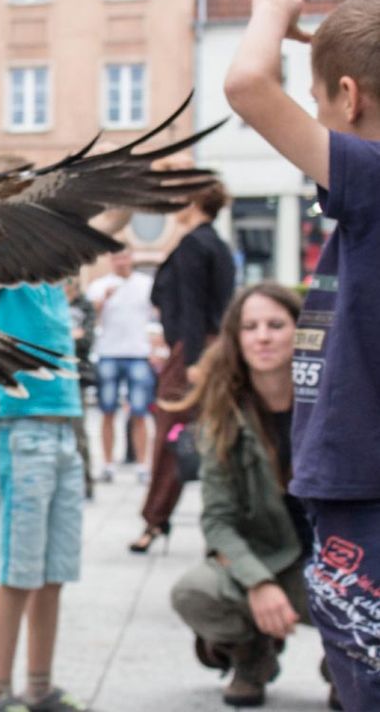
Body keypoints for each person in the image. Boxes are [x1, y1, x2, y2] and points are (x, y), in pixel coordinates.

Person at [224, 0, 380, 709]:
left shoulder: (373, 178)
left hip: (363, 490)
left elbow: (247, 83)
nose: (312, 123)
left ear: (350, 98)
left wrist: (272, 14)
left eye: (318, 105)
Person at [169, 283, 340, 709]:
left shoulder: (336, 406)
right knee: (195, 591)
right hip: (269, 561)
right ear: (236, 338)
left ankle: (346, 662)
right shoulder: (225, 416)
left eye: (276, 325)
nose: (262, 336)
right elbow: (217, 521)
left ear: (301, 332)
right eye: (250, 327)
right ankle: (253, 657)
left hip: (335, 565)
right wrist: (258, 582)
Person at [0, 154, 92, 712]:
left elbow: (100, 225)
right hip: (20, 433)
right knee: (19, 571)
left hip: (63, 431)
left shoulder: (51, 275)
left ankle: (38, 686)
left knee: (53, 573)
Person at [130, 179, 234, 554]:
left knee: (172, 435)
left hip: (193, 351)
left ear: (193, 202)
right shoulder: (216, 244)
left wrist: (190, 361)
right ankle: (210, 529)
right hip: (209, 348)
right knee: (211, 439)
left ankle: (155, 520)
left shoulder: (195, 244)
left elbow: (191, 306)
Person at [85, 248, 155, 483]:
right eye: (115, 257)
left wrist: (156, 347)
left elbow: (156, 316)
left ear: (131, 257)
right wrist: (103, 300)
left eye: (124, 256)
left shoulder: (146, 284)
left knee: (139, 412)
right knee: (107, 411)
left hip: (138, 353)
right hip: (108, 353)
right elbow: (88, 318)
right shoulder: (99, 285)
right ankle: (107, 464)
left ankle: (143, 465)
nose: (120, 262)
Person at [63, 276, 97, 499]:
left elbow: (86, 341)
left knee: (78, 431)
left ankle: (86, 482)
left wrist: (67, 337)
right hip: (55, 374)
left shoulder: (85, 306)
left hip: (77, 374)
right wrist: (70, 335)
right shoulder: (53, 302)